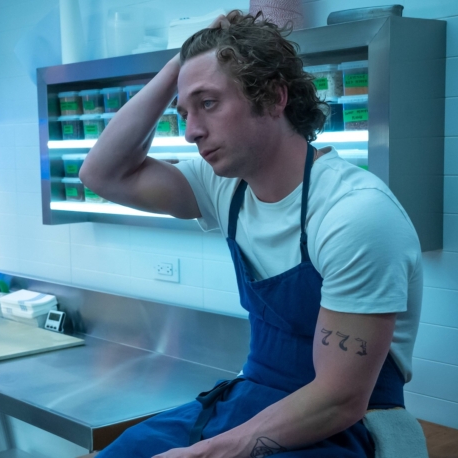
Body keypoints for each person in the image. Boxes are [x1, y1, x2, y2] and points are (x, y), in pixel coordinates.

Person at [79, 10, 422, 458]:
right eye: (184, 112)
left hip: (344, 422)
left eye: (208, 103)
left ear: (275, 97)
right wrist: (181, 63)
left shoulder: (354, 215)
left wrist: (204, 453)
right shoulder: (224, 187)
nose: (191, 132)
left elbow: (339, 399)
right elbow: (101, 174)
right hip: (253, 397)